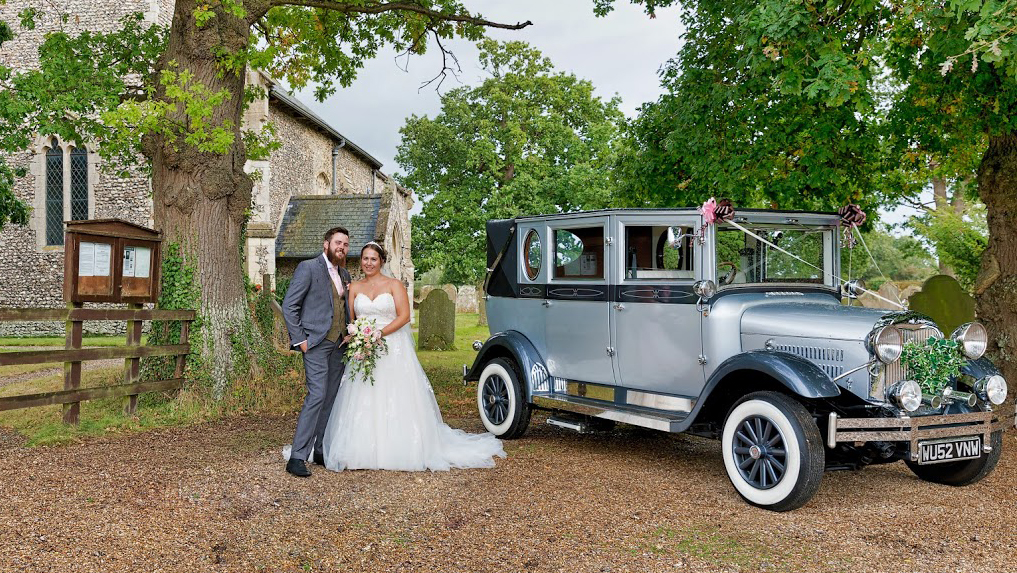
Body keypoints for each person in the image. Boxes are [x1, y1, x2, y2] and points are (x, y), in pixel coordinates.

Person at [320, 241, 506, 471]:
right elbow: (352, 319)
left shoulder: (394, 285)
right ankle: (361, 450)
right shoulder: (355, 287)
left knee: (394, 394)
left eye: (373, 259)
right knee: (362, 394)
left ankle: (399, 448)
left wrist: (378, 333)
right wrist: (358, 336)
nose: (368, 263)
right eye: (365, 258)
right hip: (365, 348)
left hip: (392, 346)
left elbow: (404, 316)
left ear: (382, 262)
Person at [281, 226, 352, 477]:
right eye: (337, 243)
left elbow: (345, 308)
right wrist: (300, 339)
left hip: (340, 345)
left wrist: (351, 334)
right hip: (315, 343)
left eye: (345, 244)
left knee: (330, 397)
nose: (341, 248)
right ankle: (297, 457)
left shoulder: (345, 274)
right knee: (317, 395)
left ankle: (319, 449)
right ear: (326, 244)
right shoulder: (308, 268)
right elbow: (289, 306)